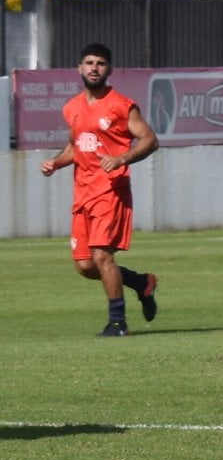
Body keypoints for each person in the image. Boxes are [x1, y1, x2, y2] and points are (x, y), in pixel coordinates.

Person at [40, 44, 160, 337]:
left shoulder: (121, 105)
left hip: (110, 191)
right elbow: (77, 146)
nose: (94, 68)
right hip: (82, 194)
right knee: (85, 265)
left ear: (109, 69)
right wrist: (56, 162)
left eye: (101, 63)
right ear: (80, 68)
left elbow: (149, 139)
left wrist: (121, 158)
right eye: (89, 62)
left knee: (102, 256)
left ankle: (117, 321)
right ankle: (140, 282)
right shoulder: (72, 108)